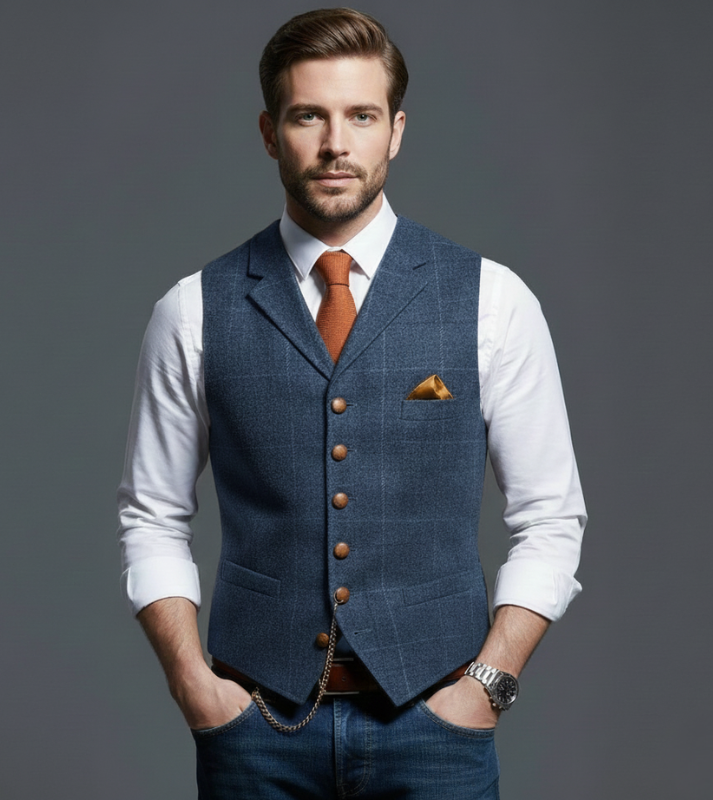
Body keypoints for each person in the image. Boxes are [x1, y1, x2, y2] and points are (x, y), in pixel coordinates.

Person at [117, 8, 586, 799]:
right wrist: (193, 686)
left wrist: (487, 688)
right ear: (270, 133)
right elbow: (151, 514)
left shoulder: (492, 300)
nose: (337, 143)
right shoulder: (194, 309)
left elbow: (550, 517)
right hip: (255, 731)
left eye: (361, 116)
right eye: (310, 116)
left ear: (395, 131)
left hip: (436, 732)